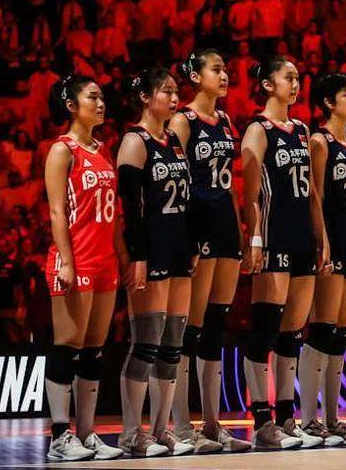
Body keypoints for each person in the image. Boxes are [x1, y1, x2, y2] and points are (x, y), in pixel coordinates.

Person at [240, 56, 333, 450]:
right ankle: (262, 419)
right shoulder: (258, 129)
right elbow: (250, 194)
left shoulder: (302, 130)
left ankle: (286, 417)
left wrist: (322, 237)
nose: (296, 84)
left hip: (301, 237)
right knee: (265, 327)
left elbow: (311, 191)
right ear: (267, 84)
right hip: (273, 236)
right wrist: (255, 240)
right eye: (288, 78)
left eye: (298, 78)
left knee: (292, 332)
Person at [170, 49, 250, 453]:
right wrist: (187, 238)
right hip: (198, 226)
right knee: (192, 327)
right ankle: (183, 426)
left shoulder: (226, 121)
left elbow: (230, 183)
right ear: (195, 76)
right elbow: (178, 183)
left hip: (225, 226)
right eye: (216, 69)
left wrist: (241, 231)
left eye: (225, 69)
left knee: (217, 325)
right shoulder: (182, 121)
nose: (224, 75)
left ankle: (214, 424)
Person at [41, 75, 123, 461]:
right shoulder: (62, 150)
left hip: (105, 261)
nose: (101, 103)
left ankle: (87, 434)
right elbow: (57, 212)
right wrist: (68, 262)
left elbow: (113, 213)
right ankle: (60, 436)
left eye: (102, 97)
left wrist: (124, 258)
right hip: (75, 260)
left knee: (93, 350)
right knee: (67, 346)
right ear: (71, 105)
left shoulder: (103, 150)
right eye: (93, 97)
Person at [115, 68, 196, 457]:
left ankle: (161, 430)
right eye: (166, 91)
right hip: (151, 250)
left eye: (176, 90)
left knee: (173, 344)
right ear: (145, 97)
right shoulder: (135, 140)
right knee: (146, 342)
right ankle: (132, 433)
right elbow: (130, 208)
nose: (174, 96)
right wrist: (138, 257)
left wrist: (192, 244)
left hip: (179, 248)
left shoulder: (175, 139)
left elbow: (186, 197)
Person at [303, 73, 346, 444]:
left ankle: (331, 417)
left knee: (341, 333)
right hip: (330, 241)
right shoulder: (319, 141)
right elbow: (315, 197)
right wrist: (322, 242)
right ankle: (308, 418)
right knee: (322, 328)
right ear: (328, 102)